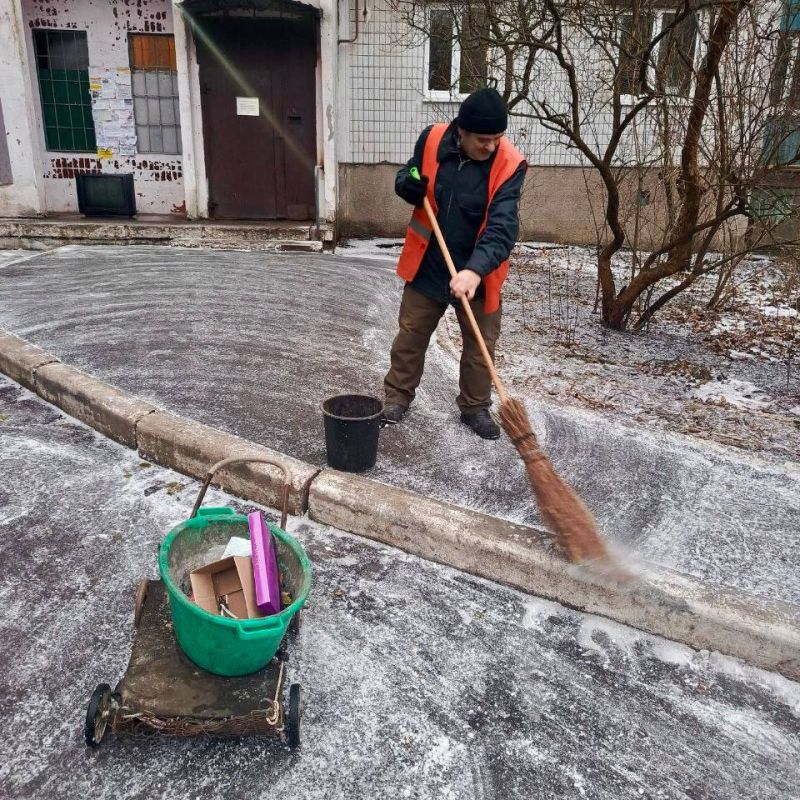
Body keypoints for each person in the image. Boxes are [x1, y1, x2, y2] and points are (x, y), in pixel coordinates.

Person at [382, 87, 527, 440]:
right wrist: (407, 184)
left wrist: (474, 270)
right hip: (429, 263)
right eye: (483, 140)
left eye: (497, 138)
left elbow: (503, 226)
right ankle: (397, 398)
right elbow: (409, 172)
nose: (491, 146)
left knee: (480, 345)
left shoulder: (509, 164)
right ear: (461, 131)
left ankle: (475, 407)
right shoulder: (432, 139)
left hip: (480, 274)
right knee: (411, 334)